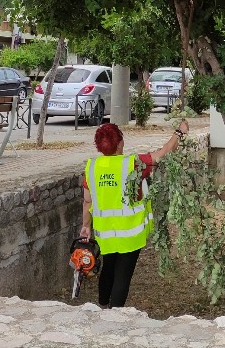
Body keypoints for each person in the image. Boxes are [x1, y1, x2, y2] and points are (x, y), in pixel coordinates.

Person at [79, 118, 189, 308]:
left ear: (99, 147)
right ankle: (116, 314)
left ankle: (103, 306)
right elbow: (162, 154)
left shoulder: (92, 167)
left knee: (108, 268)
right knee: (123, 275)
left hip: (105, 233)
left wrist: (85, 226)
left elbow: (87, 200)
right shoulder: (133, 164)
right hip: (131, 233)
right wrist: (179, 132)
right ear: (120, 143)